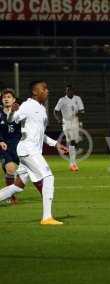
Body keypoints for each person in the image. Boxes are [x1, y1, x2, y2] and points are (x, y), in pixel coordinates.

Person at [0, 80, 68, 225]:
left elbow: (40, 133)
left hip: (30, 150)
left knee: (18, 185)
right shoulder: (27, 105)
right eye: (44, 88)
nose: (47, 91)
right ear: (35, 92)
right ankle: (47, 217)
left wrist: (55, 143)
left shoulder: (41, 108)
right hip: (28, 150)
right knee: (48, 177)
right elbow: (12, 120)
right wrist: (12, 111)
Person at [54, 85, 85, 172]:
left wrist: (78, 116)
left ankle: (72, 162)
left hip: (75, 122)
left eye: (71, 90)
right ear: (66, 91)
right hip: (66, 123)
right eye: (68, 90)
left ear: (73, 91)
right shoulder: (62, 100)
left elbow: (82, 110)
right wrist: (59, 120)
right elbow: (56, 111)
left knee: (74, 142)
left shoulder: (77, 99)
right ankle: (72, 164)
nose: (69, 92)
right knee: (71, 141)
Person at [0, 89, 21, 204]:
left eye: (9, 97)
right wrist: (0, 141)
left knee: (26, 173)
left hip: (18, 147)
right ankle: (11, 196)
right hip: (4, 147)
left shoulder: (19, 113)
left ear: (14, 100)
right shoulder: (0, 113)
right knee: (10, 169)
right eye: (4, 97)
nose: (6, 99)